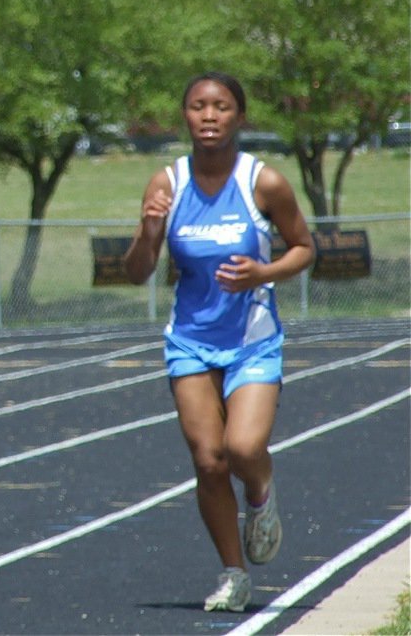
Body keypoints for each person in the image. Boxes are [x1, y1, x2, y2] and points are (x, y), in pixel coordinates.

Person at [122, 72, 315, 613]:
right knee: (208, 460)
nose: (209, 116)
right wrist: (149, 234)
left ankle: (261, 492)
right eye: (198, 106)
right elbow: (138, 272)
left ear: (239, 116)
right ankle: (234, 575)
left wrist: (264, 272)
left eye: (222, 107)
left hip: (252, 339)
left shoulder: (264, 182)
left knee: (242, 450)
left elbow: (304, 248)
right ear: (184, 116)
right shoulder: (167, 184)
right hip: (190, 341)